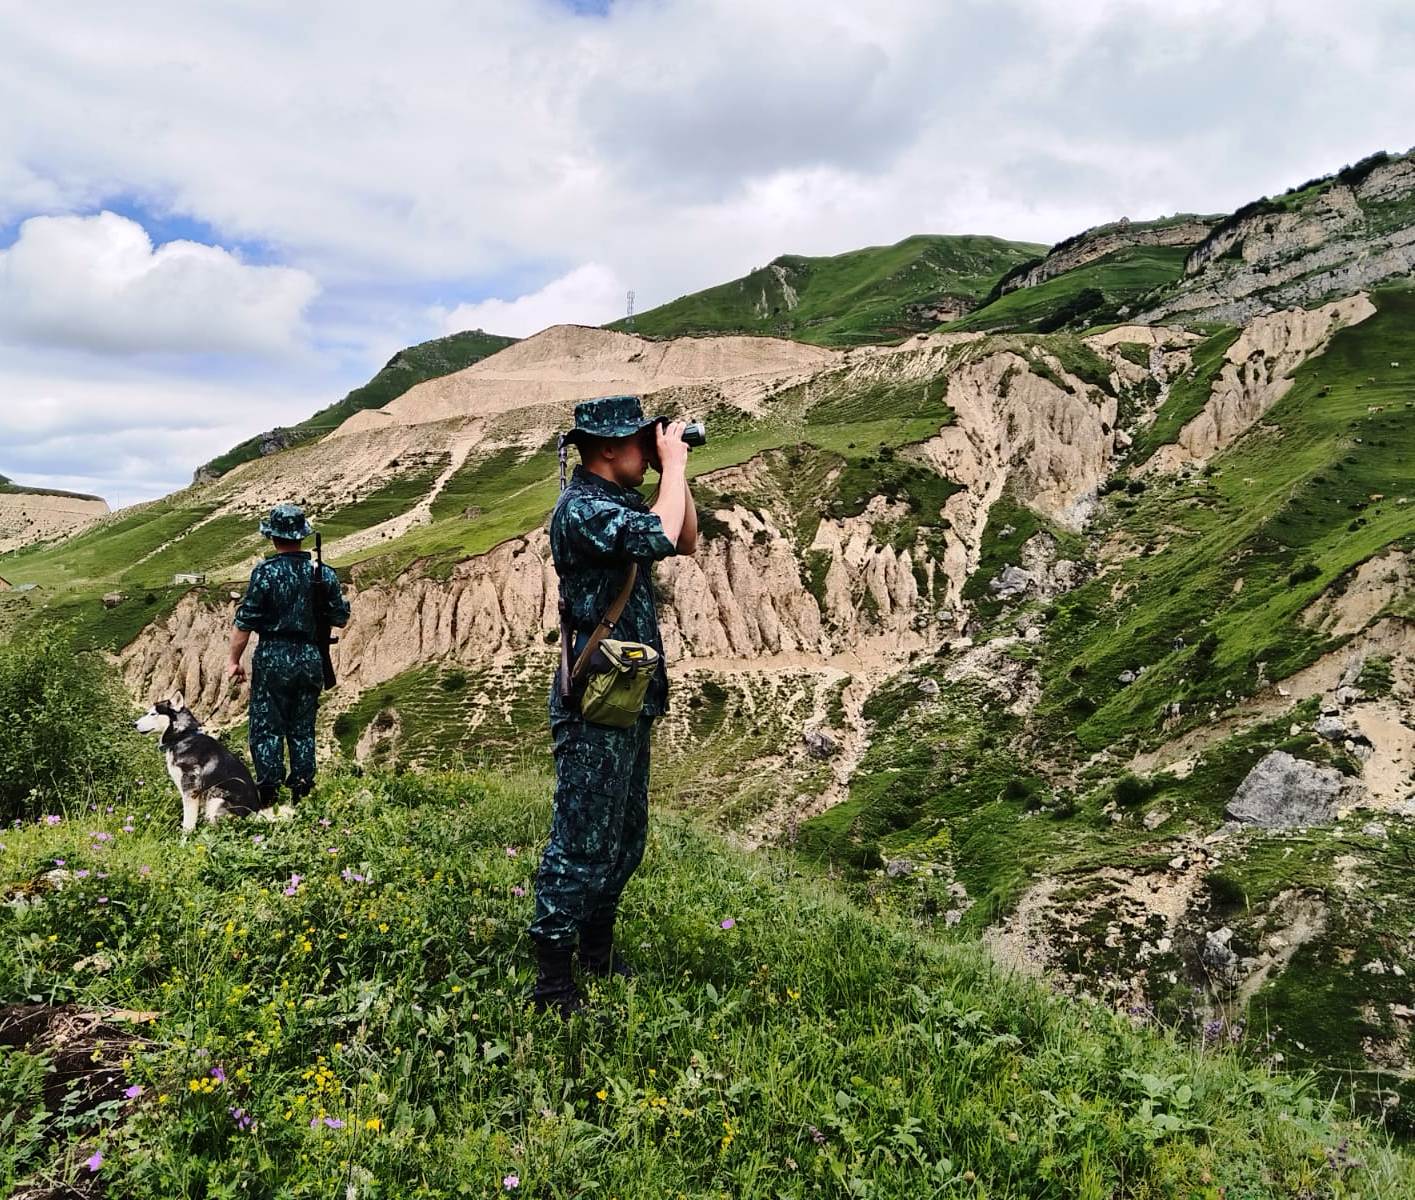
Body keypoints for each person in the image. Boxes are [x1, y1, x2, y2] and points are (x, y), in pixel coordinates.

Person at [529, 395, 698, 1016]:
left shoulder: (620, 503)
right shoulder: (582, 511)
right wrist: (672, 468)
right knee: (581, 837)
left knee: (625, 834)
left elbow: (683, 538)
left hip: (627, 692)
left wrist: (672, 471)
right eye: (640, 441)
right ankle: (552, 978)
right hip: (595, 698)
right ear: (606, 447)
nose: (650, 448)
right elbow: (656, 534)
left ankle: (597, 950)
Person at [227, 503, 350, 807]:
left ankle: (268, 795)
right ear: (302, 536)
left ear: (273, 537)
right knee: (302, 729)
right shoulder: (323, 574)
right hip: (310, 657)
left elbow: (245, 623)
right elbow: (341, 617)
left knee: (266, 728)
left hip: (272, 655)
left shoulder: (265, 573)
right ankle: (302, 794)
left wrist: (233, 660)